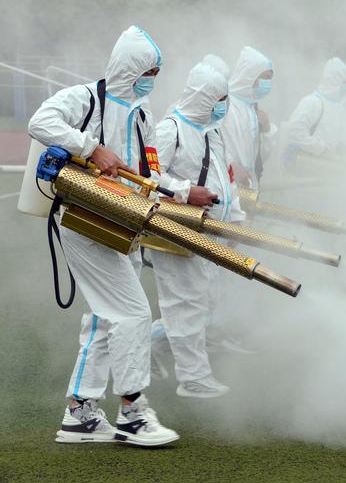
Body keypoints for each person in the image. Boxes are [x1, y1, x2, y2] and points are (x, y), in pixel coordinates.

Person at [28, 26, 178, 446]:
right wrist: (91, 148)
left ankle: (80, 412)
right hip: (84, 219)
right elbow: (40, 121)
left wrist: (183, 196)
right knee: (132, 313)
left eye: (157, 71)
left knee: (102, 317)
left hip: (124, 223)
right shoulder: (86, 99)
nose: (154, 77)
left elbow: (152, 172)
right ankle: (131, 411)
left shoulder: (143, 114)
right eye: (150, 70)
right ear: (130, 68)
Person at [149, 61, 245, 398]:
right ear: (205, 97)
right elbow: (146, 178)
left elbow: (224, 177)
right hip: (176, 228)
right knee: (184, 302)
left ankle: (154, 345)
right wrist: (187, 192)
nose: (225, 104)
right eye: (220, 97)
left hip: (208, 230)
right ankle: (193, 377)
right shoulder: (170, 130)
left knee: (198, 299)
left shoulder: (211, 130)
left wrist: (234, 218)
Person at [221, 46, 277, 190]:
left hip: (246, 187)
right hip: (223, 182)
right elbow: (207, 142)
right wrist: (231, 166)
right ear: (250, 76)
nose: (268, 84)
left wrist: (267, 130)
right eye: (265, 78)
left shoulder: (253, 109)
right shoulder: (224, 104)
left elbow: (260, 158)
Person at [282, 57, 346, 171]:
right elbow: (294, 131)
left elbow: (344, 139)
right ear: (335, 80)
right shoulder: (312, 102)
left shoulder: (339, 108)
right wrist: (320, 148)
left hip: (327, 166)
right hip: (305, 165)